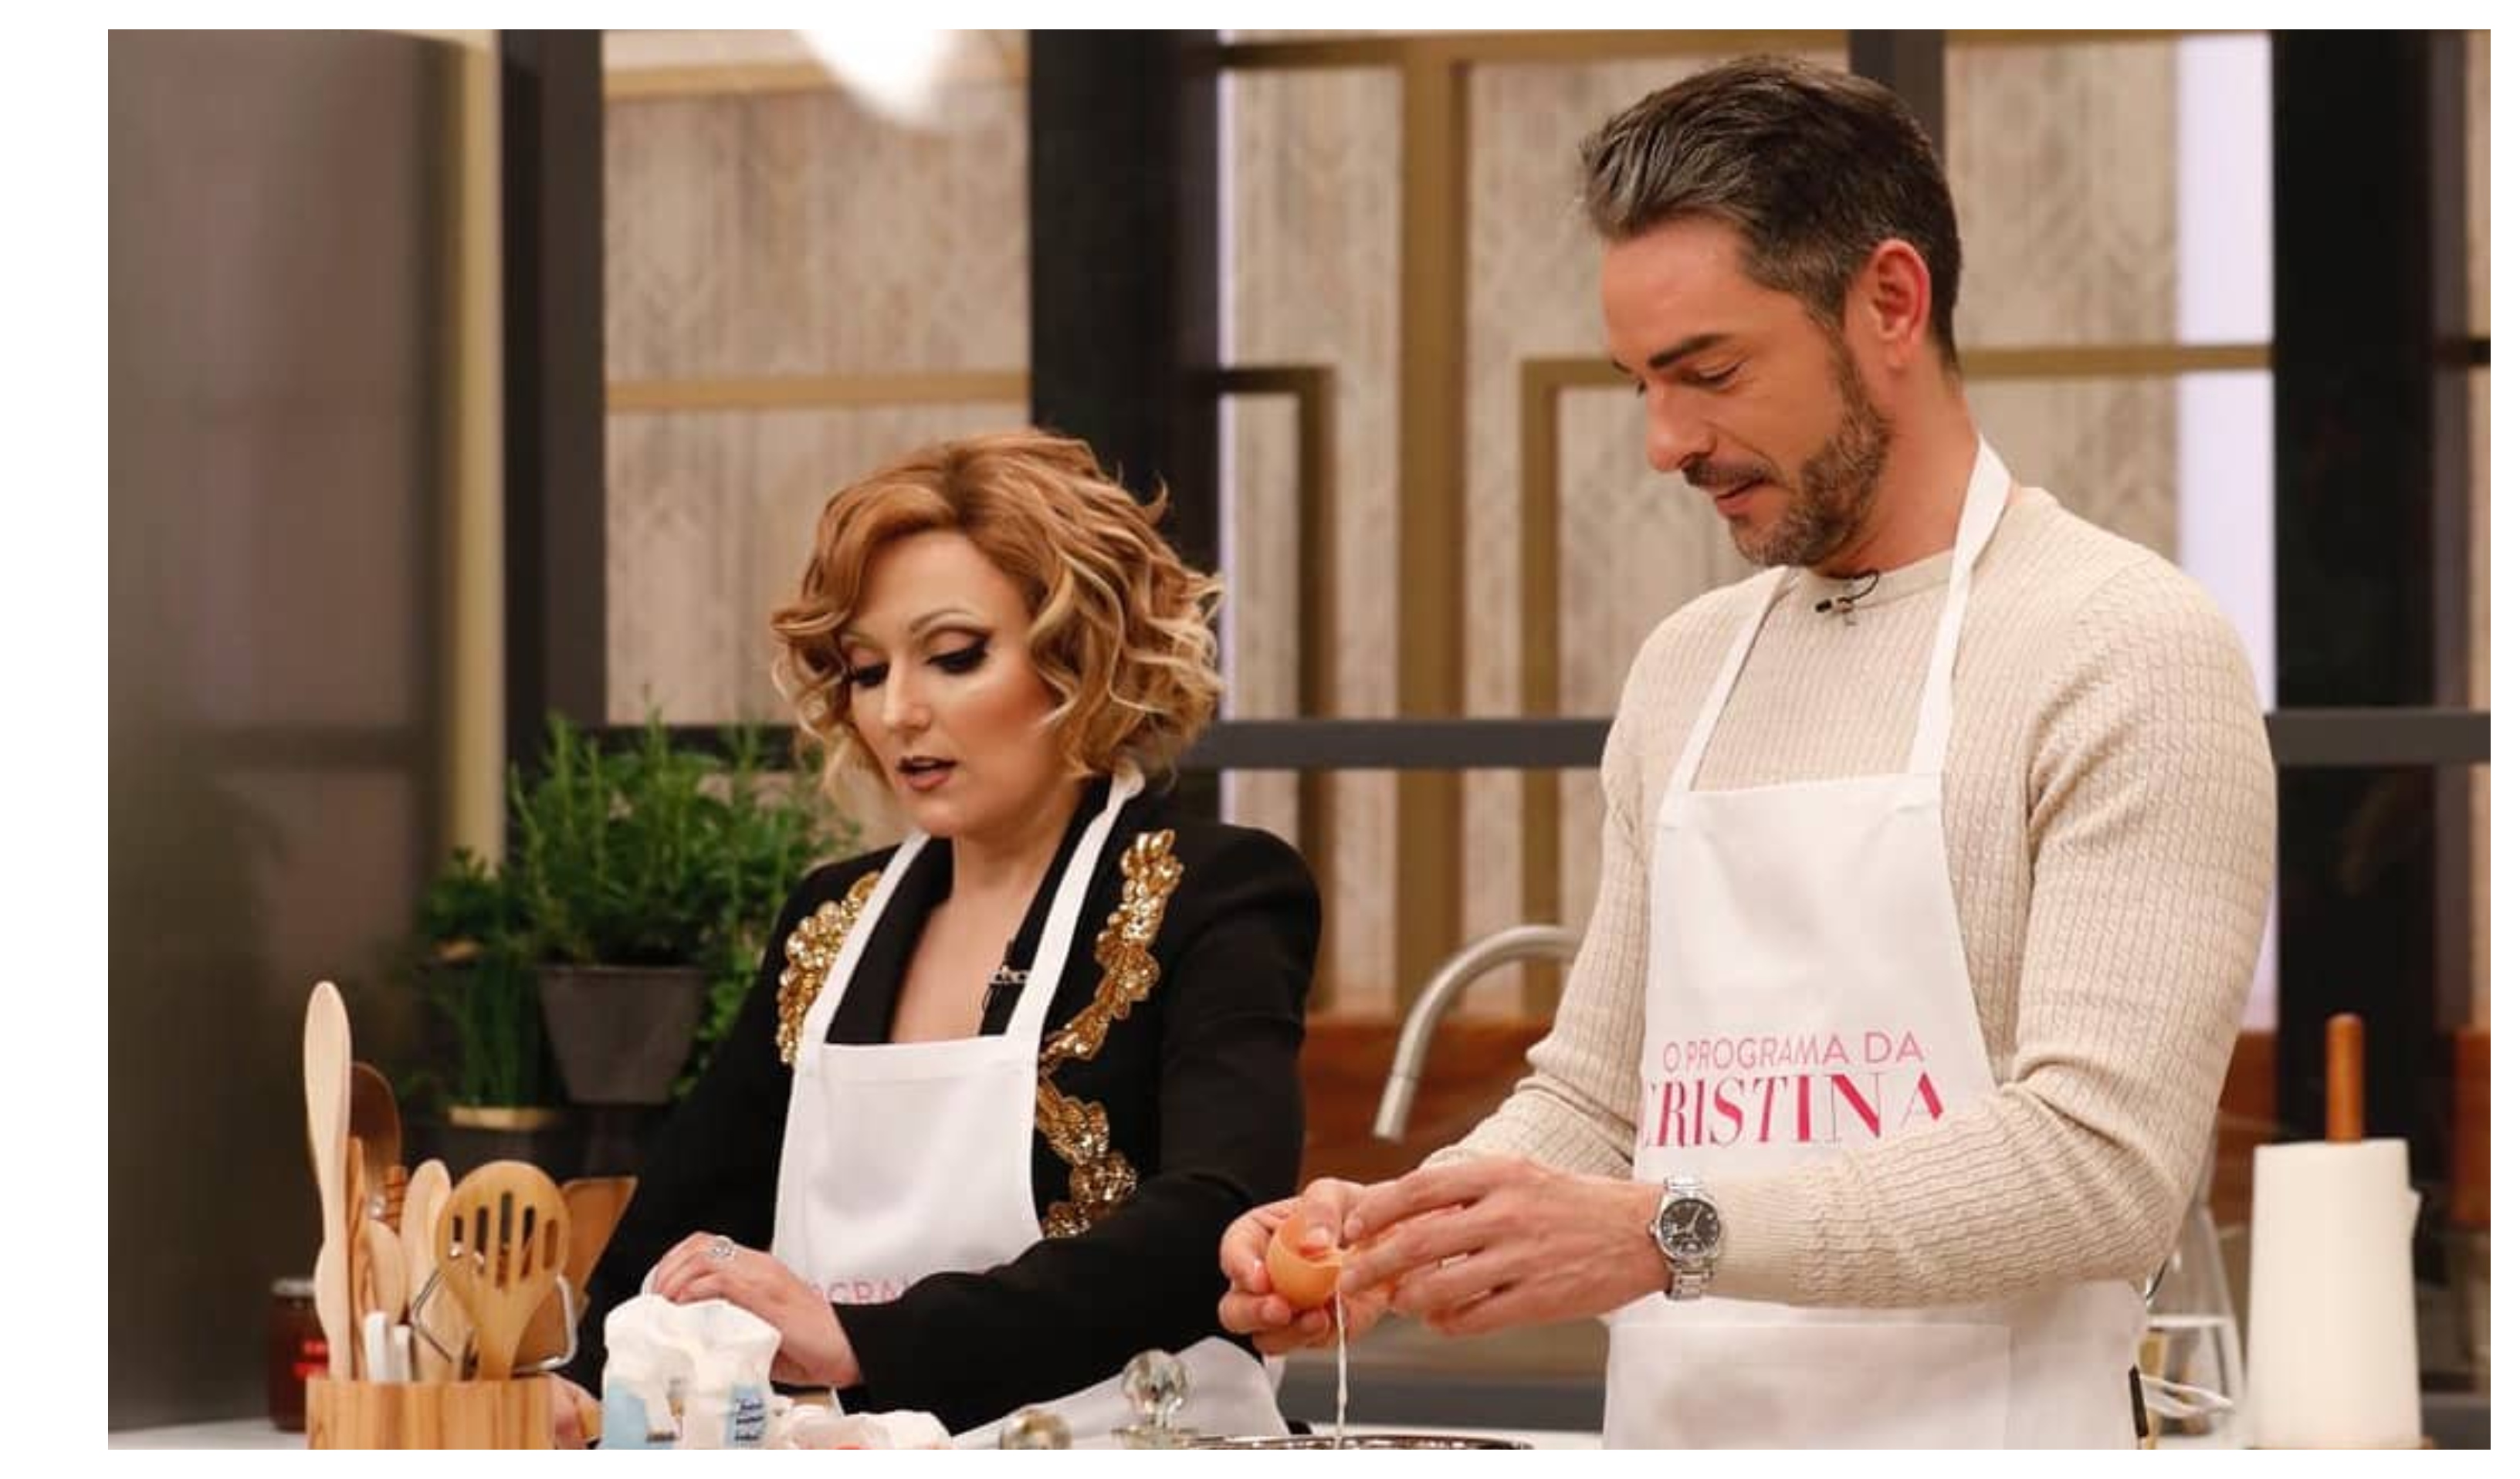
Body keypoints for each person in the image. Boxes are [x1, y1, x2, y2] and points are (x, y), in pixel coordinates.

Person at [1219, 55, 2276, 1449]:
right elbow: (1600, 1101)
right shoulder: (1689, 668)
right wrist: (1403, 1229)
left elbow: (2101, 1171)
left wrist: (1666, 1235)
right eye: (1640, 385)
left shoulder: (2126, 645)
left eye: (1709, 373)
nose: (1666, 444)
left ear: (1889, 302)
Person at [553, 428, 1319, 1445]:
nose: (899, 712)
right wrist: (586, 1385)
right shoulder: (831, 922)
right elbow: (684, 1224)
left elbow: (1214, 1220)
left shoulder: (1210, 891)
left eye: (955, 657)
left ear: (1079, 659)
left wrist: (864, 1340)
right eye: (867, 671)